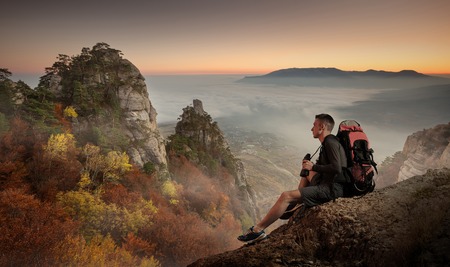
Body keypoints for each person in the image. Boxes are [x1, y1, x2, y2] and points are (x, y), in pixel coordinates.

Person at [238, 113, 348, 244]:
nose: (311, 128)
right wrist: (309, 167)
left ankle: (257, 230)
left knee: (285, 196)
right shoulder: (328, 142)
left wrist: (314, 167)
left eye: (314, 125)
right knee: (306, 170)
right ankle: (297, 203)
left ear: (322, 127)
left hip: (330, 189)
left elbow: (337, 168)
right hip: (328, 183)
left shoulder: (330, 142)